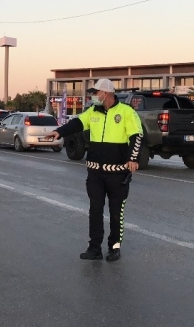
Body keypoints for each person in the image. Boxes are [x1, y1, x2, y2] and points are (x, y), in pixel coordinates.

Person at [44, 79, 143, 261]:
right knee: (95, 210)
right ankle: (94, 248)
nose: (94, 96)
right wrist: (60, 131)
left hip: (118, 173)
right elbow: (77, 123)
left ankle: (114, 247)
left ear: (105, 93)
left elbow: (137, 135)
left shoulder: (126, 112)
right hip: (95, 173)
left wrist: (133, 158)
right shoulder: (93, 111)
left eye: (96, 92)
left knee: (116, 212)